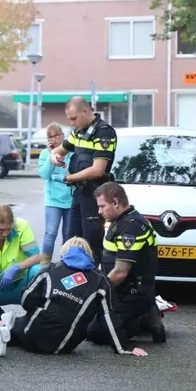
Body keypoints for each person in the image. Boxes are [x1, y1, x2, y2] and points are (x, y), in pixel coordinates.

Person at [7, 237, 147, 356]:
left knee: (13, 324)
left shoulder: (51, 269)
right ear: (89, 254)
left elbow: (26, 300)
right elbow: (109, 317)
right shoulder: (102, 280)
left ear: (64, 253)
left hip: (32, 336)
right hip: (64, 345)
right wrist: (123, 348)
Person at [86, 182, 166, 345]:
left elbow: (121, 272)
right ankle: (148, 311)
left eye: (102, 206)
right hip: (121, 292)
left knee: (95, 334)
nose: (99, 211)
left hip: (133, 294)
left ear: (115, 202)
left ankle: (146, 317)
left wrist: (95, 292)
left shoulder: (131, 228)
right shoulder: (122, 220)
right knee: (90, 324)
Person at [50, 97, 117, 265]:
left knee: (91, 246)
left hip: (95, 197)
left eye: (74, 118)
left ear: (86, 111)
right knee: (71, 242)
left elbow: (97, 170)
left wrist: (68, 178)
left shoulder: (103, 133)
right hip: (79, 194)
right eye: (69, 119)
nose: (72, 123)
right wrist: (54, 156)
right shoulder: (78, 132)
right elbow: (60, 149)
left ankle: (92, 286)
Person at [37, 123, 73, 265]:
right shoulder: (45, 154)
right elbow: (45, 175)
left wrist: (61, 176)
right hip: (53, 201)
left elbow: (72, 173)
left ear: (62, 136)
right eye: (50, 137)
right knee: (50, 233)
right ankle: (45, 263)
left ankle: (66, 263)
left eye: (56, 136)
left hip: (70, 199)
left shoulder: (71, 153)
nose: (53, 139)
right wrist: (51, 156)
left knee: (68, 234)